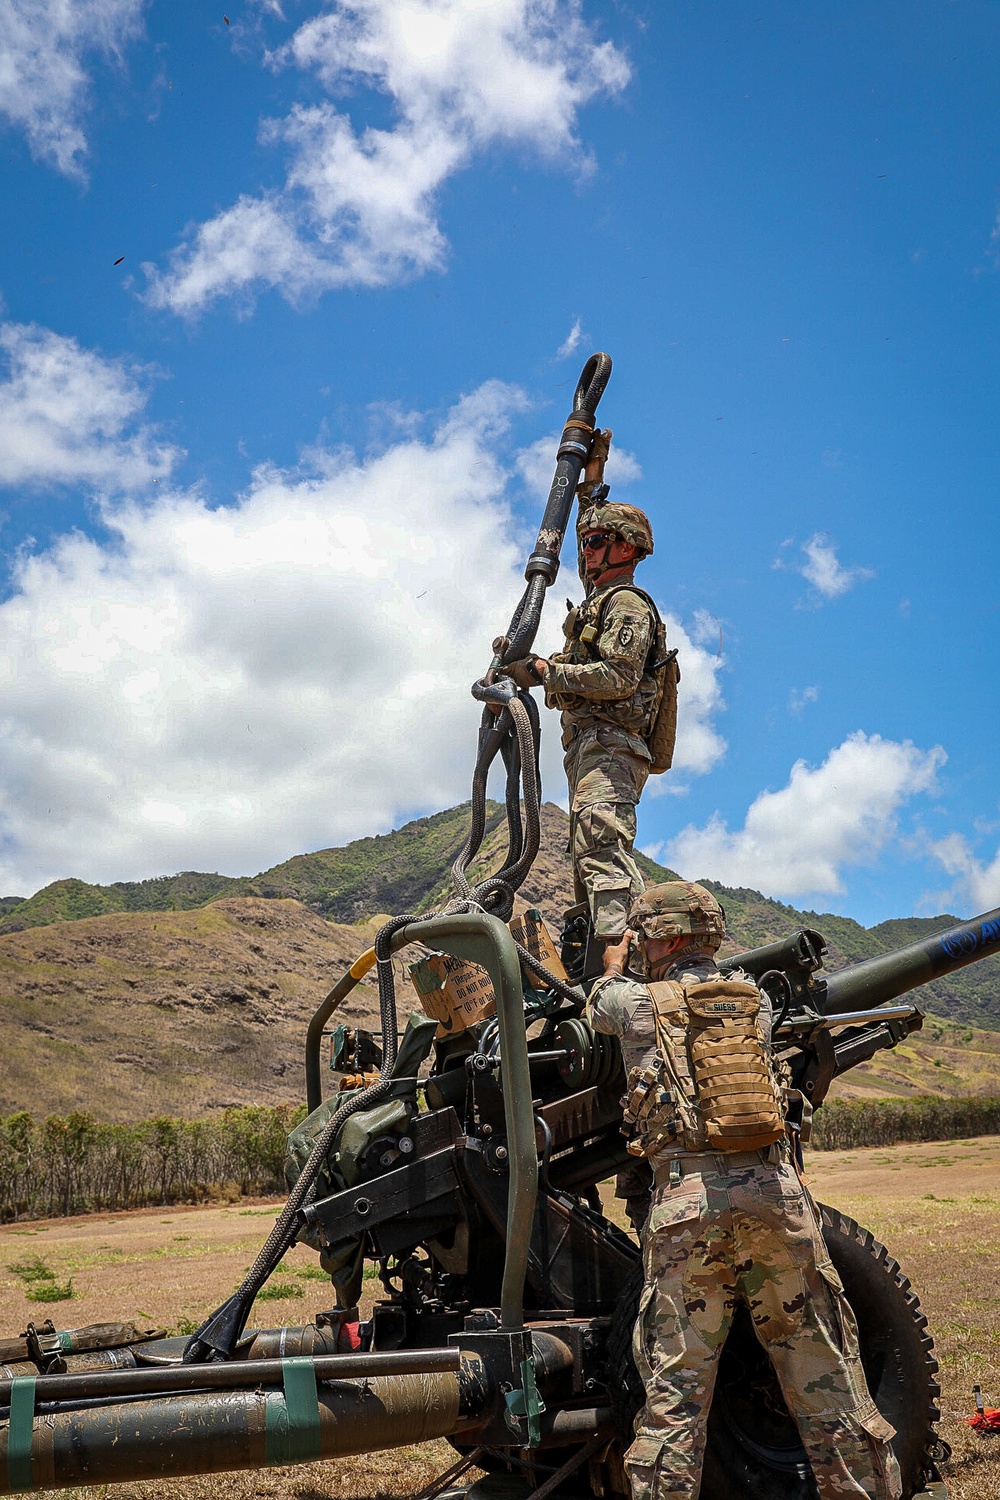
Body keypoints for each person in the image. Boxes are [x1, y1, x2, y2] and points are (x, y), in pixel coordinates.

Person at [587, 880, 902, 1500]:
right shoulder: (754, 1002)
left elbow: (601, 1006)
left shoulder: (638, 1004)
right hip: (776, 1202)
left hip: (688, 1209)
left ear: (669, 938)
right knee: (828, 1381)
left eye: (648, 937)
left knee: (675, 1400)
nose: (644, 947)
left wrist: (612, 966)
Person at [502, 500, 662, 944]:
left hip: (610, 746)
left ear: (626, 549)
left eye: (596, 542)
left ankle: (625, 963)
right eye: (584, 542)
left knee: (601, 848)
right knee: (588, 860)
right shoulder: (598, 602)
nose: (586, 551)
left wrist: (547, 672)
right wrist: (590, 479)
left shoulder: (626, 603)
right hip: (589, 748)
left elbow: (620, 677)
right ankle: (601, 962)